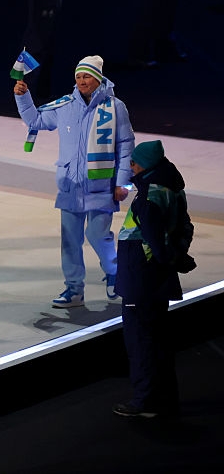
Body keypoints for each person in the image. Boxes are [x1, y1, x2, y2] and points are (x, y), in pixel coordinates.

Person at [14, 55, 135, 308]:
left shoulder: (115, 107)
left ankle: (114, 273)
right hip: (70, 185)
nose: (82, 81)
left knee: (97, 235)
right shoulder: (65, 106)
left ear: (98, 78)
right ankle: (74, 290)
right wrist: (23, 96)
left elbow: (125, 146)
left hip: (102, 185)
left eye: (87, 76)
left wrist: (123, 182)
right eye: (78, 76)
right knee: (70, 241)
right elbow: (35, 120)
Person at [114, 140, 190, 418]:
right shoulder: (172, 189)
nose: (130, 167)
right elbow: (185, 226)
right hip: (157, 278)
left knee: (141, 342)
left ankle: (145, 401)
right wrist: (179, 256)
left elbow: (155, 241)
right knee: (159, 341)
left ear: (144, 165)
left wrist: (169, 258)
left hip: (141, 280)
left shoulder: (149, 196)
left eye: (133, 163)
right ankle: (166, 398)